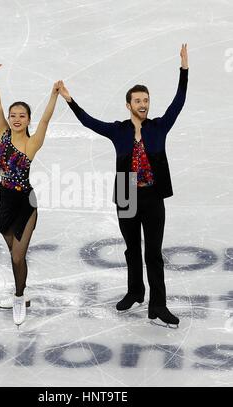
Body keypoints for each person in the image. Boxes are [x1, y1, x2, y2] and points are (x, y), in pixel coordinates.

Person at [58, 44, 189, 327]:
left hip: (153, 196)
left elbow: (178, 102)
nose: (143, 104)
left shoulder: (159, 127)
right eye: (138, 100)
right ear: (128, 105)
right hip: (127, 195)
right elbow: (88, 122)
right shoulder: (118, 130)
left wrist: (184, 70)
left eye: (146, 100)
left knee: (153, 253)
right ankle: (135, 291)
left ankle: (158, 306)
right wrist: (69, 100)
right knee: (132, 249)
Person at [0, 53, 61, 326]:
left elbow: (46, 121)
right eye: (13, 115)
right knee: (15, 256)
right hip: (4, 200)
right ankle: (23, 291)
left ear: (28, 120)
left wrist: (53, 95)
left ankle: (19, 297)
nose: (16, 118)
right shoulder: (3, 135)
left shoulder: (31, 144)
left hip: (25, 202)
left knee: (18, 255)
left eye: (22, 115)